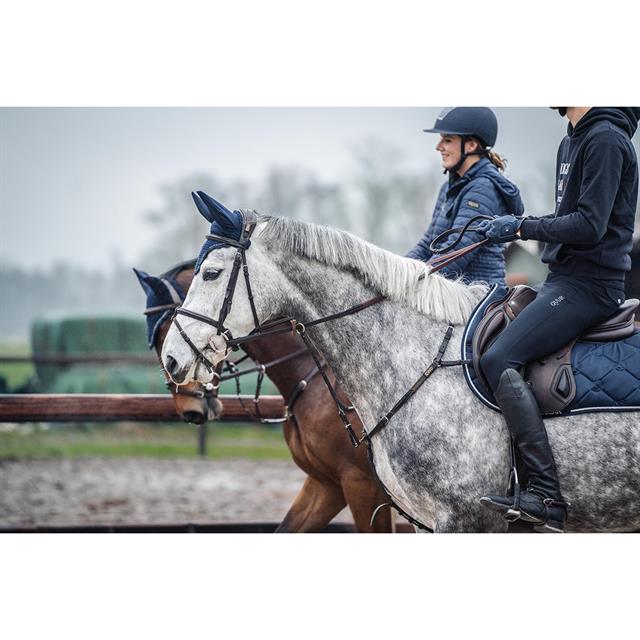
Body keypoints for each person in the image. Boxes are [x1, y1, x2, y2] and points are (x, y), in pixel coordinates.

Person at [478, 107, 640, 532]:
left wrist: (520, 227)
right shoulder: (572, 137)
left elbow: (588, 226)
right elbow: (568, 220)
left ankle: (546, 495)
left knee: (498, 359)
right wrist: (521, 227)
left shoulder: (605, 139)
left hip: (590, 287)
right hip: (562, 279)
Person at [407, 107, 524, 285]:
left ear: (471, 145)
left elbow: (458, 252)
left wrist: (415, 280)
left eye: (447, 140)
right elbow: (427, 244)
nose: (439, 147)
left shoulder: (483, 189)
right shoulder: (449, 187)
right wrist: (398, 270)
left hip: (477, 294)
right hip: (453, 290)